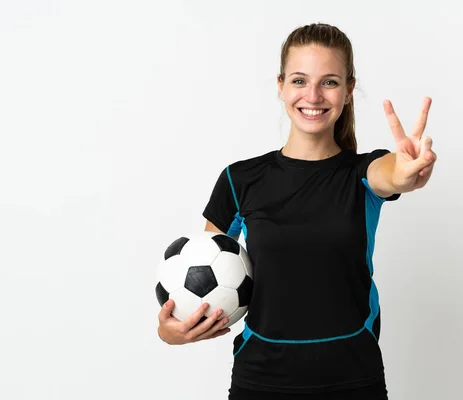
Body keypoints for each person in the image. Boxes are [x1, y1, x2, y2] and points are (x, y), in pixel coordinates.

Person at [157, 23, 437, 399]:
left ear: (349, 90)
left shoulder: (362, 174)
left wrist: (406, 172)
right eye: (300, 80)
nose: (314, 95)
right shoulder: (240, 180)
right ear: (281, 85)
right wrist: (170, 331)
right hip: (260, 381)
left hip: (353, 379)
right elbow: (204, 281)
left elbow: (391, 174)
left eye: (330, 82)